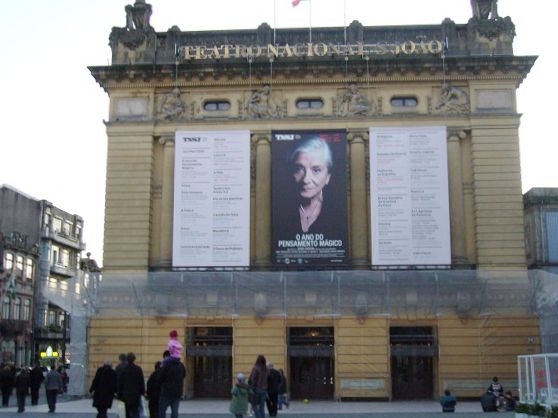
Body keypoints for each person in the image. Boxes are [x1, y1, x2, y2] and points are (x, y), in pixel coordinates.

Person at [290, 138, 333, 234]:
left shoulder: (337, 211)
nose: (306, 179)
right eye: (299, 169)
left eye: (316, 170)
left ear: (328, 177)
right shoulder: (281, 210)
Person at [158, 352, 186, 418]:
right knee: (174, 411)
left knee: (162, 410)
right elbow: (184, 375)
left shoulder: (166, 365)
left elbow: (160, 377)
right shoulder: (181, 365)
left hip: (167, 392)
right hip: (177, 392)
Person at [117, 352, 145, 418]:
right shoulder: (138, 369)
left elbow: (120, 383)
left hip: (125, 395)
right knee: (135, 411)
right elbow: (141, 382)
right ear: (134, 359)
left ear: (127, 360)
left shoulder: (123, 369)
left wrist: (119, 394)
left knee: (127, 412)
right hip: (135, 394)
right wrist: (142, 392)